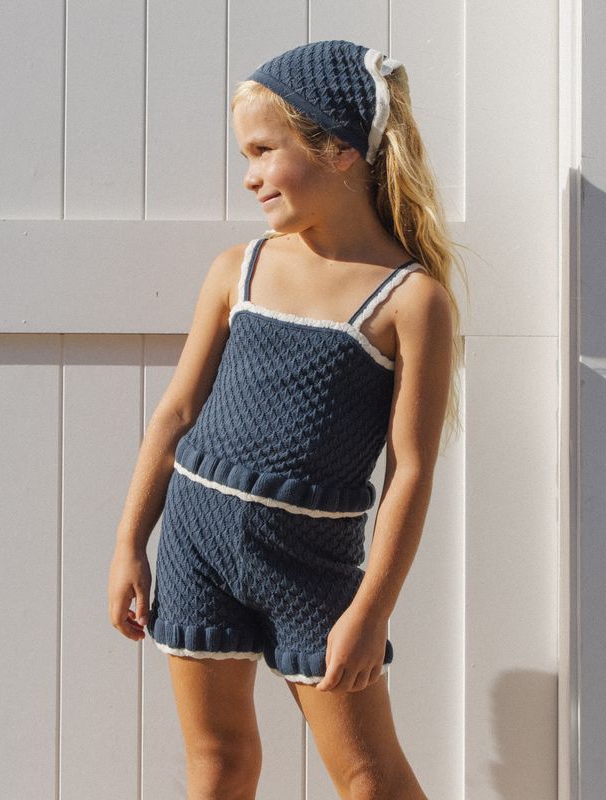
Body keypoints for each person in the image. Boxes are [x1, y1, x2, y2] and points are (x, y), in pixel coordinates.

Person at [108, 39, 466, 800]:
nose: (250, 174)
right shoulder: (238, 267)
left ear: (338, 148)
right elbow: (176, 411)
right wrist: (129, 542)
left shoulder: (410, 300)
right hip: (197, 543)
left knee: (370, 779)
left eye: (265, 150)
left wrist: (372, 611)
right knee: (220, 766)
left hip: (314, 565)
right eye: (248, 154)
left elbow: (411, 468)